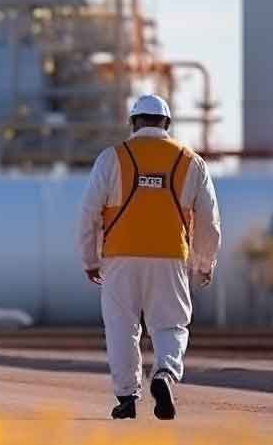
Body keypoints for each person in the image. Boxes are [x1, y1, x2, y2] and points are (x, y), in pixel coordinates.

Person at [76, 94, 221, 420]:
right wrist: (204, 262)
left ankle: (127, 398)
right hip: (170, 256)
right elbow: (209, 219)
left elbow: (88, 213)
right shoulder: (191, 161)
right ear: (167, 123)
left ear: (133, 123)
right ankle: (165, 373)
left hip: (120, 258)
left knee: (121, 327)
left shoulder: (112, 158)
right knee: (171, 325)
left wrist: (89, 260)